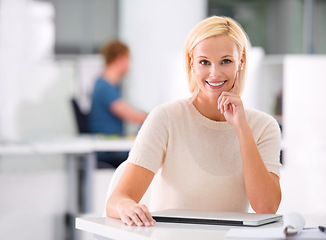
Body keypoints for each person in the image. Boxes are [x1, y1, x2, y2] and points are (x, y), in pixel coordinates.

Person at [106, 16, 282, 227]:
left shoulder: (264, 127)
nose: (214, 73)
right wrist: (127, 207)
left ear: (241, 61)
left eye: (225, 61)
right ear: (192, 63)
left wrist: (242, 128)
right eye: (204, 62)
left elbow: (266, 207)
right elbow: (117, 200)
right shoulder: (166, 118)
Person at [88, 40, 147, 168]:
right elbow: (132, 116)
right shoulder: (105, 87)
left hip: (112, 143)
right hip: (108, 148)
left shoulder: (108, 85)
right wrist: (159, 115)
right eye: (128, 59)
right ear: (120, 59)